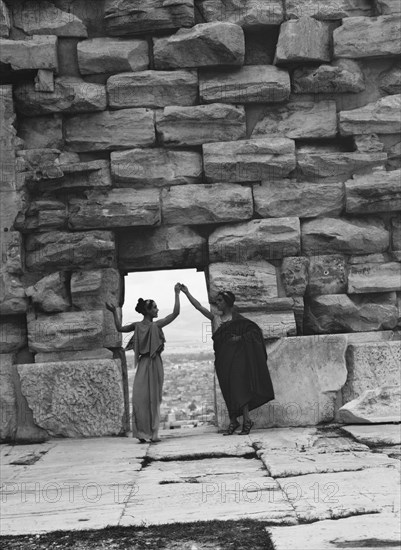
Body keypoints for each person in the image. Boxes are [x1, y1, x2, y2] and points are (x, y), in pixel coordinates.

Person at [179, 285, 274, 435]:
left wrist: (241, 338)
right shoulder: (215, 318)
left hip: (237, 360)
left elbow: (254, 332)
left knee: (240, 389)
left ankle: (247, 420)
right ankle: (234, 420)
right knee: (228, 390)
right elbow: (198, 307)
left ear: (228, 302)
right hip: (222, 361)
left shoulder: (238, 320)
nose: (217, 303)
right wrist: (186, 292)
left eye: (220, 300)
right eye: (216, 301)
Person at [106, 283, 181, 443]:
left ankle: (153, 434)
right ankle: (141, 433)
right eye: (154, 308)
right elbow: (119, 328)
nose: (157, 310)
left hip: (155, 363)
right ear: (148, 311)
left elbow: (175, 313)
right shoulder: (137, 326)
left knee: (154, 398)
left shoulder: (156, 325)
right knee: (140, 398)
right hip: (144, 364)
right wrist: (113, 312)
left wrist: (177, 294)